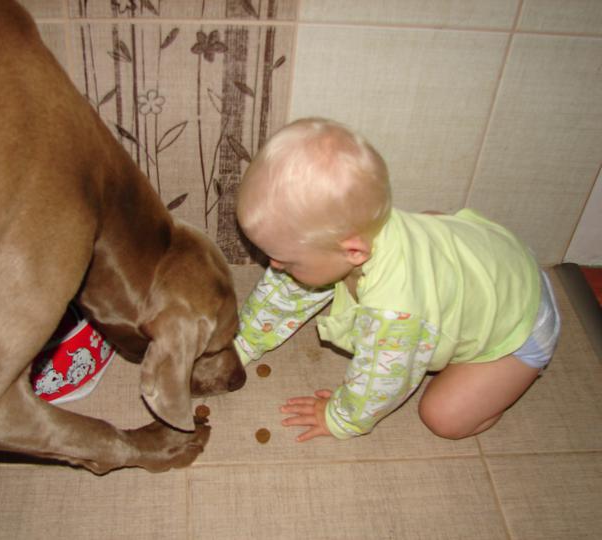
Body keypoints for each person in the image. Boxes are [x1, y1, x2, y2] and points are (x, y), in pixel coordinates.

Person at [233, 117, 561, 442]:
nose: (274, 265)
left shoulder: (394, 312)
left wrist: (340, 418)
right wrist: (240, 344)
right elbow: (287, 291)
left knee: (443, 416)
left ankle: (502, 384)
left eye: (286, 260)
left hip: (523, 325)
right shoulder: (358, 232)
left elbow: (381, 381)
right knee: (428, 221)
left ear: (353, 252)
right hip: (497, 257)